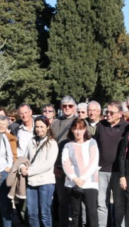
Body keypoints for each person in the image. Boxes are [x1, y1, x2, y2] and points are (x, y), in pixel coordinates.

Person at [94, 102, 128, 227]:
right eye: (106, 112)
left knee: (119, 203)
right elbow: (94, 145)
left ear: (120, 114)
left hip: (119, 172)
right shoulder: (100, 126)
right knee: (101, 203)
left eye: (111, 113)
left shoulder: (127, 127)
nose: (108, 114)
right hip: (101, 170)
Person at [20, 116, 58, 227]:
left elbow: (48, 164)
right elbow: (25, 158)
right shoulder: (32, 141)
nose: (39, 129)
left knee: (44, 213)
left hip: (45, 182)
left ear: (47, 127)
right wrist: (22, 167)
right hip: (31, 182)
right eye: (37, 127)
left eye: (42, 126)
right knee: (31, 213)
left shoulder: (52, 143)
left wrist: (29, 171)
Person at [63, 118, 99, 227]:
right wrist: (75, 178)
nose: (78, 132)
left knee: (91, 212)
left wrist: (82, 178)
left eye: (81, 129)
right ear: (72, 130)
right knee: (75, 213)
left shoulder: (92, 143)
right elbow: (66, 163)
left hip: (89, 182)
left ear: (85, 130)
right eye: (75, 129)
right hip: (73, 183)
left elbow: (93, 161)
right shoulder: (67, 145)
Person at [51, 96, 78, 227]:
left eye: (70, 106)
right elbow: (51, 146)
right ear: (61, 107)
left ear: (75, 107)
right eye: (64, 106)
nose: (67, 108)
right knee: (62, 201)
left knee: (76, 201)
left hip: (76, 169)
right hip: (59, 168)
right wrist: (54, 166)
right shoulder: (55, 123)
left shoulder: (80, 122)